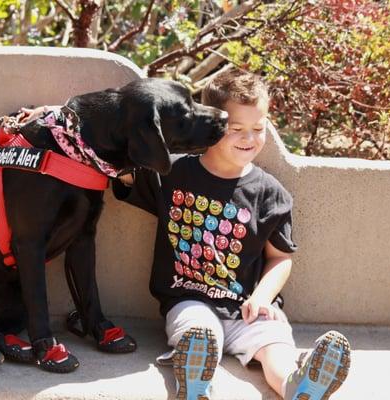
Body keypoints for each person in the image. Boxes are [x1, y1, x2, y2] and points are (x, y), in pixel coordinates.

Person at [113, 69, 350, 400]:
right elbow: (120, 171)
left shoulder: (270, 193)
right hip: (188, 299)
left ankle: (297, 385)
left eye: (258, 128)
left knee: (273, 341)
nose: (249, 138)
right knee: (196, 332)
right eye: (236, 128)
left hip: (246, 306)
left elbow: (281, 257)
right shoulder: (174, 172)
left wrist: (263, 296)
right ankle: (197, 385)